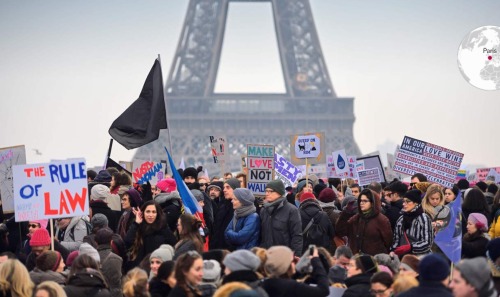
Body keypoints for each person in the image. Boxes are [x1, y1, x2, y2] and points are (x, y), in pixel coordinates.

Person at [336, 189, 392, 255]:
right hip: (357, 260)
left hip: (374, 260)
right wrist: (346, 213)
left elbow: (388, 242)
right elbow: (340, 231)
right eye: (360, 200)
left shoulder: (381, 220)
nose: (361, 203)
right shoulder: (356, 218)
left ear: (372, 203)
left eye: (365, 201)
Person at [125, 200, 177, 270]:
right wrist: (136, 223)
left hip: (156, 268)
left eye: (154, 212)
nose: (150, 215)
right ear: (143, 213)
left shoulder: (163, 227)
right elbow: (128, 241)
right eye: (148, 211)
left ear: (157, 214)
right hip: (139, 267)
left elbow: (173, 243)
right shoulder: (137, 225)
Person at [261, 246, 329, 297]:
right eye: (292, 261)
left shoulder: (264, 283)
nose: (294, 263)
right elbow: (323, 290)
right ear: (286, 265)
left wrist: (296, 270)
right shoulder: (292, 287)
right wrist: (315, 260)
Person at [260, 180, 303, 256]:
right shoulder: (264, 210)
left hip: (284, 256)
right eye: (266, 191)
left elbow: (297, 236)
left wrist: (295, 257)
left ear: (279, 192)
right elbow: (261, 235)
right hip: (267, 256)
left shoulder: (292, 210)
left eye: (270, 191)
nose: (267, 193)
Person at [391, 189, 433, 257]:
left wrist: (411, 247)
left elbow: (428, 243)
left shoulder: (424, 218)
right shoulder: (401, 219)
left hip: (421, 258)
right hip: (404, 258)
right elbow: (396, 240)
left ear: (416, 203)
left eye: (408, 201)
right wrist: (393, 251)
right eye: (403, 201)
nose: (404, 204)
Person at [210, 178, 240, 250]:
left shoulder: (240, 207)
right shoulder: (222, 205)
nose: (224, 190)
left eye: (228, 187)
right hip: (218, 248)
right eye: (224, 187)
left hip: (231, 248)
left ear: (235, 189)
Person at [95, 227, 123, 297]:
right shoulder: (117, 259)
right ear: (111, 242)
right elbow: (118, 283)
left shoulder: (89, 258)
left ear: (96, 242)